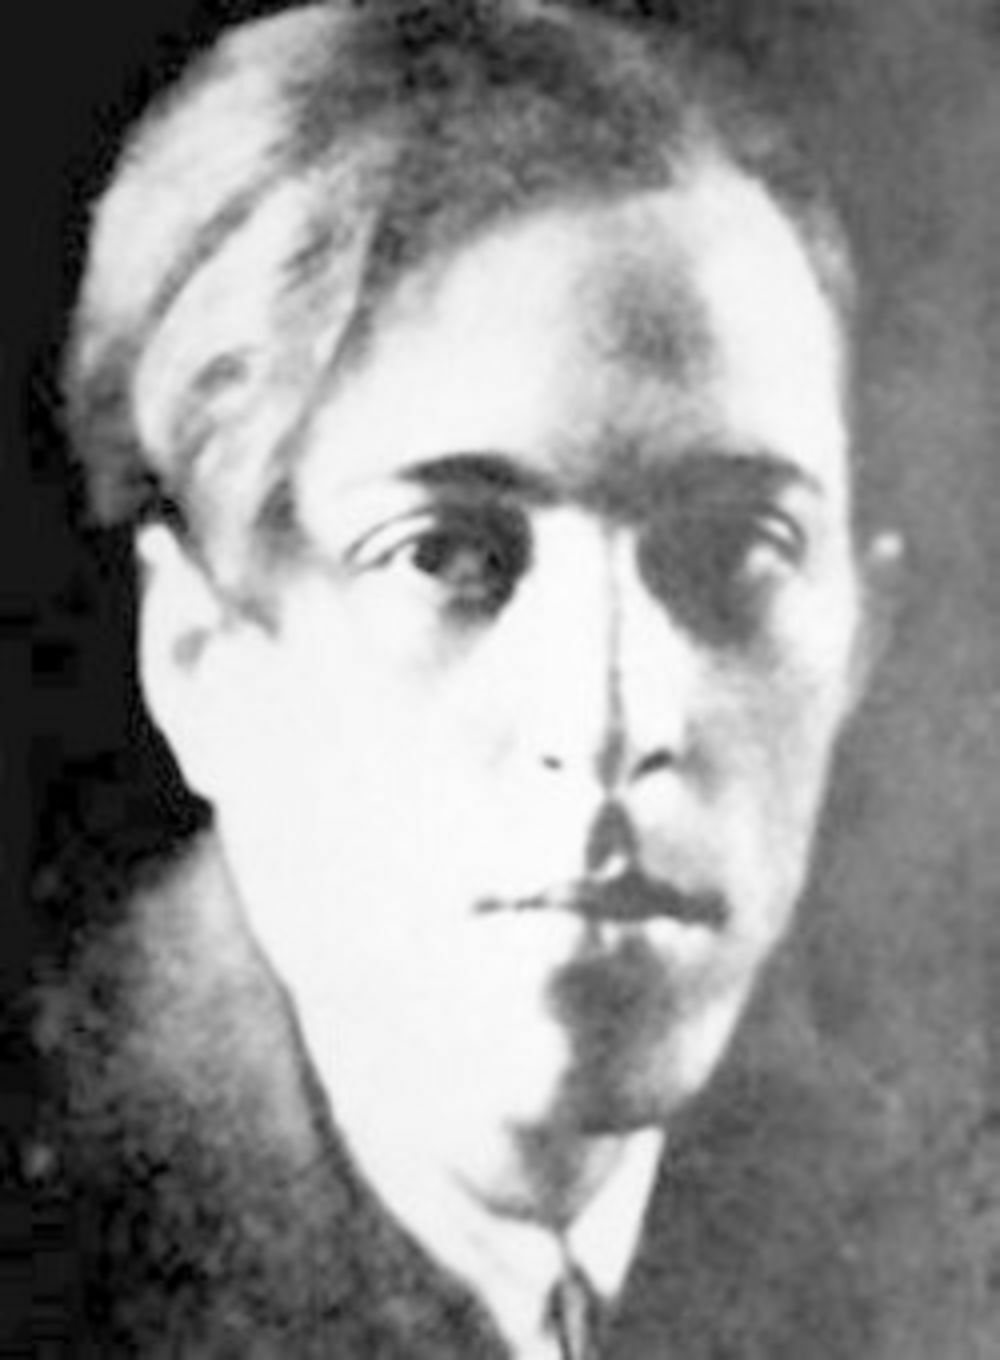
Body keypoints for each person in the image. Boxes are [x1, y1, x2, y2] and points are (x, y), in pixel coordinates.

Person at [31, 1, 968, 1355]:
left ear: (856, 641)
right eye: (447, 556)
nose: (617, 716)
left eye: (734, 552)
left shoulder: (934, 1224)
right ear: (201, 662)